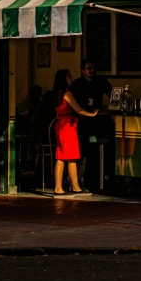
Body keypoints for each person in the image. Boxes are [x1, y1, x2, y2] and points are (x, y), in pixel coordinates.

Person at [53, 68, 98, 196]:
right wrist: (93, 114)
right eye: (69, 76)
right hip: (68, 126)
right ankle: (73, 187)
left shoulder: (57, 93)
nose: (71, 78)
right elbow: (78, 110)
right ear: (64, 78)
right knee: (70, 157)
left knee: (62, 157)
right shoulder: (67, 93)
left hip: (61, 124)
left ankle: (63, 187)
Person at [71, 59, 113, 190]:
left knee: (102, 146)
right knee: (84, 151)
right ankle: (84, 178)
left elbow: (114, 94)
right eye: (88, 68)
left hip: (98, 121)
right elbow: (74, 107)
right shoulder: (76, 84)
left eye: (93, 68)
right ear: (83, 71)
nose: (92, 71)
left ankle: (101, 176)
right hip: (82, 122)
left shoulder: (101, 82)